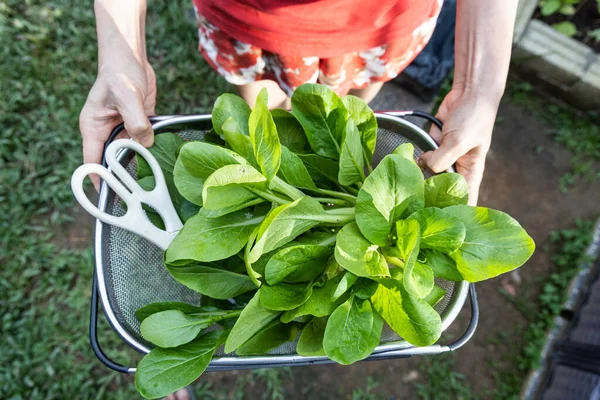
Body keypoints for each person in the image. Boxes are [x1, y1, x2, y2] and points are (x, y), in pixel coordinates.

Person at [80, 0, 518, 206]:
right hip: (244, 17)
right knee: (259, 113)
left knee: (349, 106)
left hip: (384, 22)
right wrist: (122, 52)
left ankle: (325, 158)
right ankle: (263, 169)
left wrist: (479, 87)